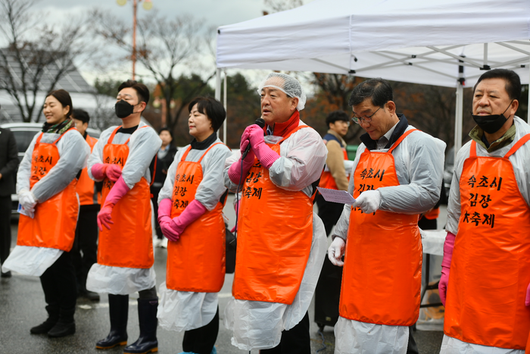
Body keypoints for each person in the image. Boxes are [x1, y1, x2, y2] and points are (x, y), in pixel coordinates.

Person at [327, 78, 445, 354]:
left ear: (390, 107)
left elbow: (428, 194)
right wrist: (339, 235)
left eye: (368, 115)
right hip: (360, 259)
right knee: (356, 330)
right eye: (358, 119)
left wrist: (382, 196)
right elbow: (351, 200)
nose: (364, 123)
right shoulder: (366, 148)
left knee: (394, 330)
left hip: (394, 261)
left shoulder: (420, 143)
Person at [223, 72, 328, 353]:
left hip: (286, 246)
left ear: (294, 102)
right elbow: (230, 180)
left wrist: (258, 146)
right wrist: (246, 153)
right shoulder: (259, 134)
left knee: (288, 318)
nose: (265, 102)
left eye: (273, 95)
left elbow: (289, 175)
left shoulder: (308, 138)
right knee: (259, 319)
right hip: (254, 244)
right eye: (262, 95)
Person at [439, 69, 530, 353]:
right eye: (478, 95)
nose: (483, 102)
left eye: (493, 96)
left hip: (511, 288)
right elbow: (454, 217)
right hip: (466, 283)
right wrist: (445, 268)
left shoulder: (526, 152)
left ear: (513, 105)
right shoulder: (467, 152)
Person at [2, 89, 90, 337]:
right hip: (35, 206)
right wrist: (23, 191)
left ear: (67, 109)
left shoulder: (73, 138)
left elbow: (63, 172)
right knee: (43, 262)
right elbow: (25, 165)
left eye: (53, 105)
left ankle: (66, 319)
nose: (47, 109)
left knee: (60, 264)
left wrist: (34, 193)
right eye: (45, 105)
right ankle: (52, 316)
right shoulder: (41, 134)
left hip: (59, 207)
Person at [86, 80, 161, 354]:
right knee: (113, 270)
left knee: (142, 272)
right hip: (110, 213)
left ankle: (148, 338)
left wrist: (108, 204)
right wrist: (104, 169)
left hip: (133, 212)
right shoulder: (107, 132)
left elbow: (131, 175)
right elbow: (90, 165)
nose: (120, 101)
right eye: (118, 96)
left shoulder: (147, 135)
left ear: (141, 105)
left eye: (126, 97)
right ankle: (117, 332)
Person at [157, 97, 231, 354]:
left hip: (203, 233)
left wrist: (177, 223)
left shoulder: (220, 152)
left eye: (198, 114)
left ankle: (200, 348)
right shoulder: (183, 152)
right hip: (179, 232)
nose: (190, 117)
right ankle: (192, 348)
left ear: (213, 121)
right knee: (186, 291)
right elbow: (167, 191)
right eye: (190, 113)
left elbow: (207, 196)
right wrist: (165, 219)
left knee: (204, 293)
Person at [71, 108, 101, 301]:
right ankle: (74, 285)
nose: (72, 127)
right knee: (70, 248)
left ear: (85, 125)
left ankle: (87, 285)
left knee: (89, 247)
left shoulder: (95, 145)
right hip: (69, 204)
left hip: (90, 203)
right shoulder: (65, 143)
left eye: (75, 123)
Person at [316, 110, 351, 235]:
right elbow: (338, 172)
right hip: (333, 194)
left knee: (325, 229)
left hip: (327, 192)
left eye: (346, 123)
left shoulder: (328, 140)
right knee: (326, 231)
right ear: (331, 125)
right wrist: (348, 194)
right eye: (341, 122)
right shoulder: (333, 143)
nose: (345, 125)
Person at [151, 127, 177, 248]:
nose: (163, 137)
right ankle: (158, 236)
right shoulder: (153, 150)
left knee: (168, 212)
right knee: (157, 212)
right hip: (153, 187)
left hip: (168, 188)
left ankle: (167, 236)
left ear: (171, 138)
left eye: (166, 134)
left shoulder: (174, 152)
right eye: (161, 134)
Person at [0, 125, 18, 278]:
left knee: (4, 230)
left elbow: (14, 160)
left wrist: (1, 174)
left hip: (2, 192)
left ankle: (5, 265)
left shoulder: (7, 135)